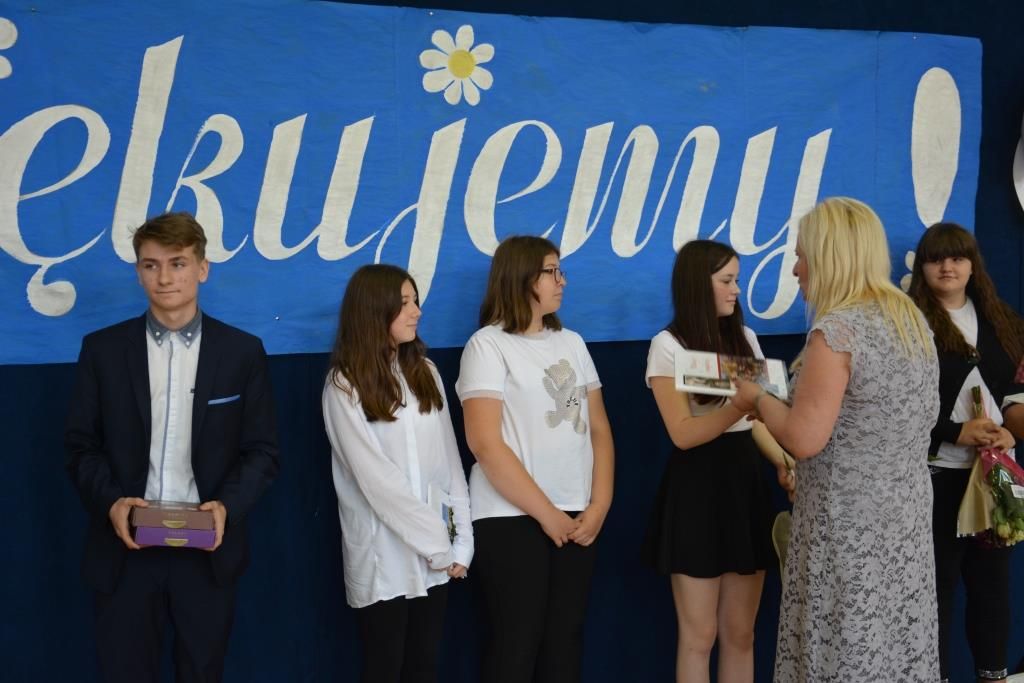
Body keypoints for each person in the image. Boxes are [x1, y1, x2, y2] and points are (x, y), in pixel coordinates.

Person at [65, 212, 279, 683]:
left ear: (202, 268)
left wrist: (227, 507)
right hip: (125, 548)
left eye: (178, 263)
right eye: (151, 265)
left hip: (207, 550)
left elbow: (263, 451)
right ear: (138, 271)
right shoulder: (102, 350)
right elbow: (80, 447)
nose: (164, 277)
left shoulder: (242, 352)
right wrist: (112, 503)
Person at [731, 197, 940, 681]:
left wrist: (756, 398)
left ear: (828, 257)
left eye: (801, 256)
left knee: (843, 652)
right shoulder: (911, 321)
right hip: (905, 523)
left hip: (847, 527)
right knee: (895, 649)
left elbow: (804, 439)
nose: (795, 270)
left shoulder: (837, 331)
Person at [456, 235, 614, 683]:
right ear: (521, 276)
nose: (562, 281)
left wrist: (599, 505)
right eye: (551, 271)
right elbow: (485, 443)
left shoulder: (572, 342)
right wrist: (547, 515)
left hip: (576, 515)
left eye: (560, 271)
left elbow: (599, 429)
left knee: (565, 643)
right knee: (516, 644)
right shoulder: (487, 346)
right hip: (511, 516)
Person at [640, 239, 793, 683]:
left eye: (736, 280)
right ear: (697, 283)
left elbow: (757, 423)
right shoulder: (667, 345)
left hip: (745, 484)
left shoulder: (746, 337)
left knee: (741, 633)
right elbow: (683, 434)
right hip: (697, 488)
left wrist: (784, 461)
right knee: (699, 636)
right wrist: (738, 405)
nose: (736, 290)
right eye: (727, 280)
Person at [321, 264, 473, 683]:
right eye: (404, 302)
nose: (416, 311)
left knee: (424, 667)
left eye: (415, 300)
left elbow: (450, 465)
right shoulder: (343, 385)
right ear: (374, 309)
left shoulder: (427, 372)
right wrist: (439, 546)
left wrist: (462, 542)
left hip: (436, 559)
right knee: (384, 668)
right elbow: (378, 484)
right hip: (383, 559)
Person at [908, 223, 1024, 683]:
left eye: (957, 257)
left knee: (993, 587)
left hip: (998, 476)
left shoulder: (1004, 320)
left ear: (973, 265)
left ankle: (993, 675)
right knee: (935, 589)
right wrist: (955, 432)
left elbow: (1017, 394)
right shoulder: (909, 324)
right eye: (936, 259)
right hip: (935, 476)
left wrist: (1011, 435)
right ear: (922, 268)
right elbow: (896, 408)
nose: (947, 267)